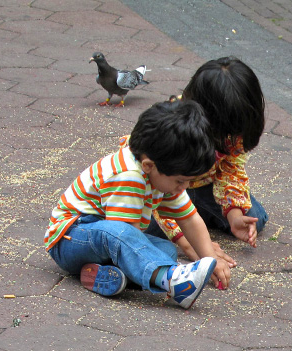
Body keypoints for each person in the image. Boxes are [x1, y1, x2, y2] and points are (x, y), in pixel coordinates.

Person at [45, 100, 233, 309]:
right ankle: (174, 281)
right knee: (138, 248)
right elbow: (124, 235)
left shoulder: (163, 172)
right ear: (149, 166)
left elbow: (188, 218)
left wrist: (211, 260)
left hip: (107, 240)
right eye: (181, 181)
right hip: (71, 239)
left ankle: (101, 275)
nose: (185, 187)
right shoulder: (128, 176)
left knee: (166, 252)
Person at [148, 56, 268, 250]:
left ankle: (193, 218)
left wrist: (234, 214)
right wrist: (189, 245)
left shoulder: (234, 129)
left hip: (203, 188)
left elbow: (231, 169)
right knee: (146, 228)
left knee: (255, 217)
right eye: (224, 133)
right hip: (164, 190)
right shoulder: (173, 126)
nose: (230, 139)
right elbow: (156, 186)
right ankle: (190, 221)